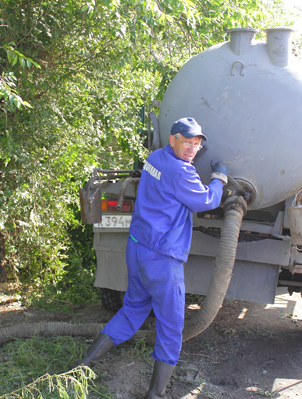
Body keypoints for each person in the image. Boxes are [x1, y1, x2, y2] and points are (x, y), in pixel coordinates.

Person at [76, 117, 230, 398]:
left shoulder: (155, 158)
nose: (192, 149)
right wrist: (219, 180)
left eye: (197, 144)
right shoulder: (181, 172)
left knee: (133, 310)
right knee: (171, 327)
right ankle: (155, 395)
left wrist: (190, 156)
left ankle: (83, 365)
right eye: (187, 142)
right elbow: (206, 200)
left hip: (138, 248)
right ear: (172, 139)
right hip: (162, 258)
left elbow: (172, 176)